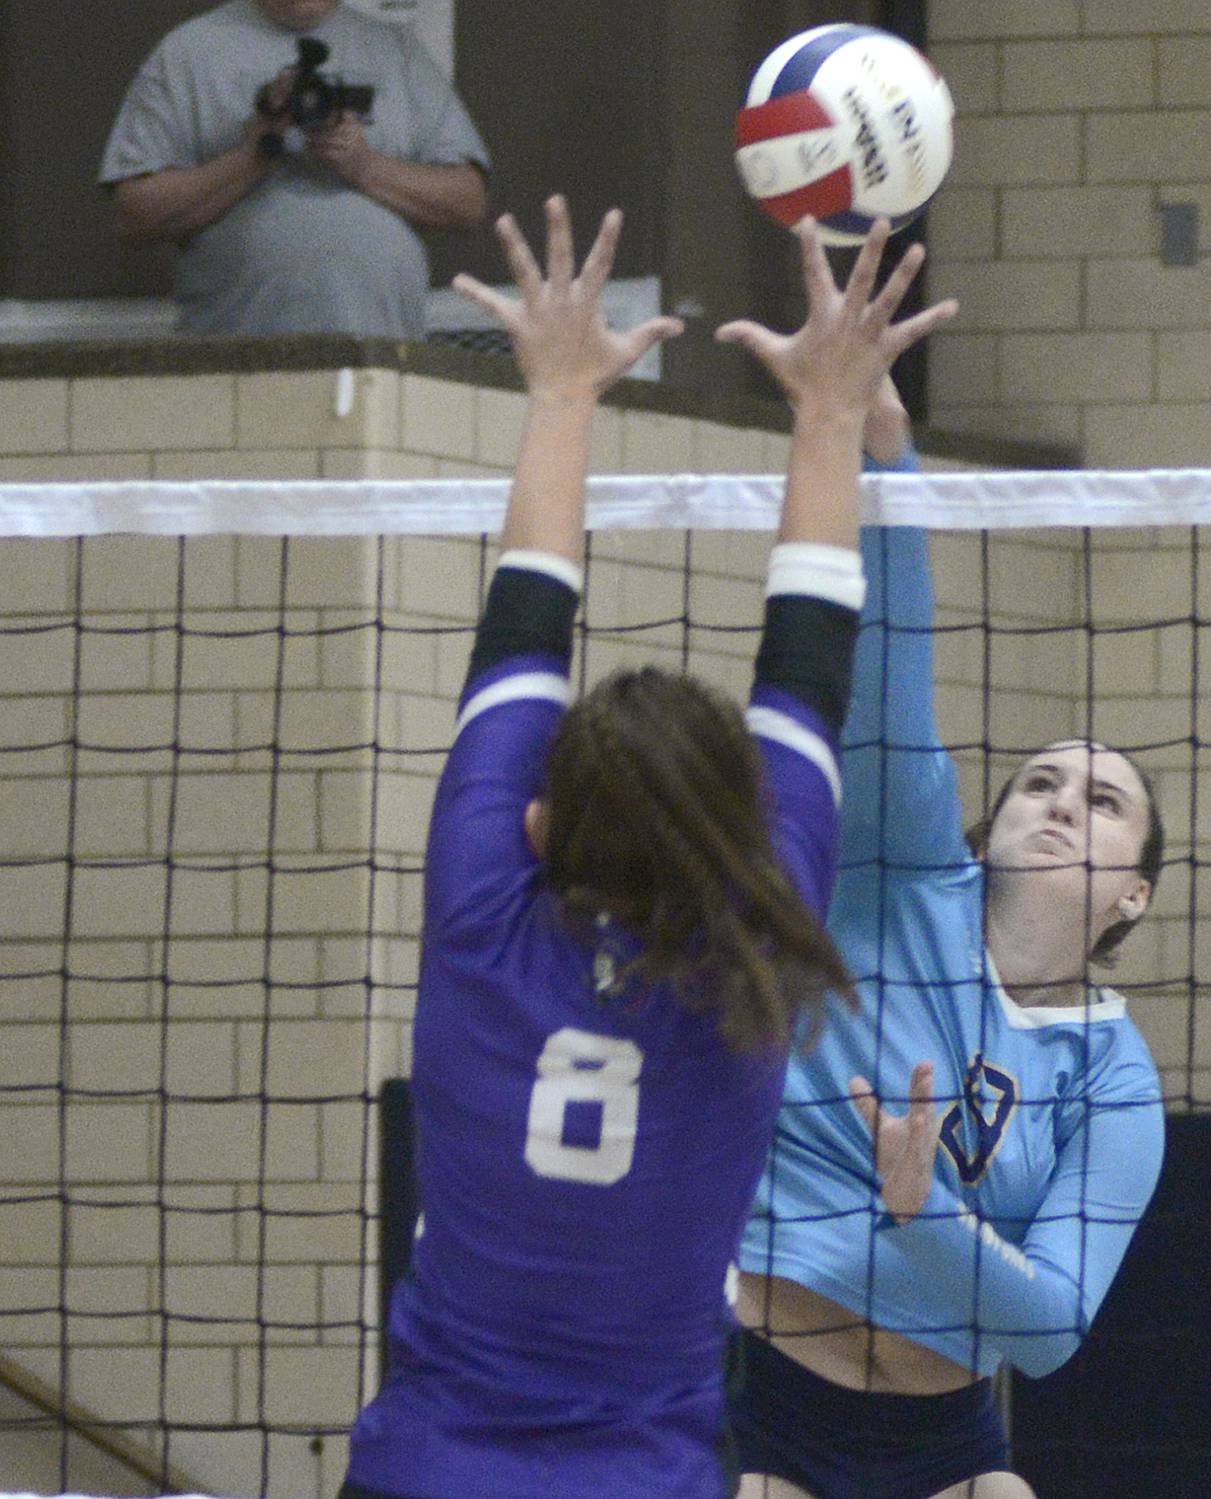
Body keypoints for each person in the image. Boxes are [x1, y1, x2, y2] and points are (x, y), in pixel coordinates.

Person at [336, 196, 957, 1499]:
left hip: (429, 1472)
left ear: (536, 825)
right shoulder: (759, 942)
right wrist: (835, 411)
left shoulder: (483, 920)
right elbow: (811, 650)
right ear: (738, 822)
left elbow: (524, 623)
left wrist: (561, 389)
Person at [731, 379, 1168, 1499]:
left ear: (1133, 896)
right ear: (995, 816)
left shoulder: (1114, 1079)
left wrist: (924, 1211)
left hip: (944, 1445)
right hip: (763, 1398)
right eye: (1040, 780)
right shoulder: (898, 874)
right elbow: (887, 683)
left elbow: (1056, 1324)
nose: (1064, 800)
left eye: (1104, 801)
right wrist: (889, 458)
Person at [99, 0, 490, 338]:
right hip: (239, 360)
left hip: (382, 354)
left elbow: (468, 200)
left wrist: (364, 166)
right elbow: (134, 214)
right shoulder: (188, 53)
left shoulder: (397, 51)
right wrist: (254, 155)